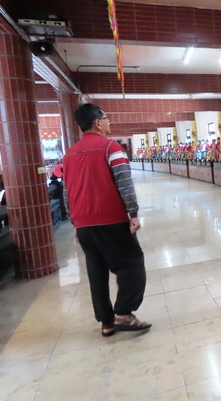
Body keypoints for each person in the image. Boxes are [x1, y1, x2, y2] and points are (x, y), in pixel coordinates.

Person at [63, 103, 151, 338]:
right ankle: (124, 313)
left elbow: (66, 191)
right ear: (97, 123)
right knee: (132, 263)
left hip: (84, 224)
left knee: (97, 271)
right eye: (106, 118)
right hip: (110, 219)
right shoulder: (111, 147)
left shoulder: (69, 154)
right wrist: (133, 213)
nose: (108, 122)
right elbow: (124, 182)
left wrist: (75, 222)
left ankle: (107, 322)